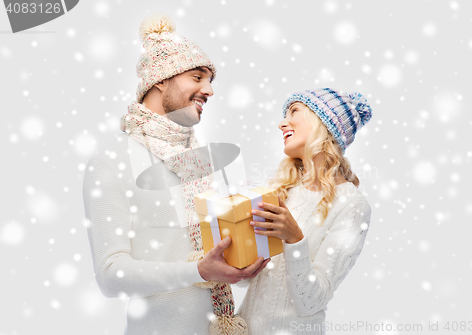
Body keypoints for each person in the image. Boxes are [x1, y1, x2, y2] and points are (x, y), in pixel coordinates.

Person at [82, 13, 267, 335]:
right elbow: (111, 277)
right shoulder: (112, 159)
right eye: (197, 77)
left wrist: (244, 263)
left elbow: (219, 258)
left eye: (210, 80)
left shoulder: (201, 159)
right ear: (160, 80)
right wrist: (197, 270)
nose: (209, 89)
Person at [238, 88, 373, 334]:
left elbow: (311, 300)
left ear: (322, 123)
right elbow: (248, 280)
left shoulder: (353, 206)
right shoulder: (281, 188)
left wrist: (294, 239)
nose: (282, 123)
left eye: (294, 111)